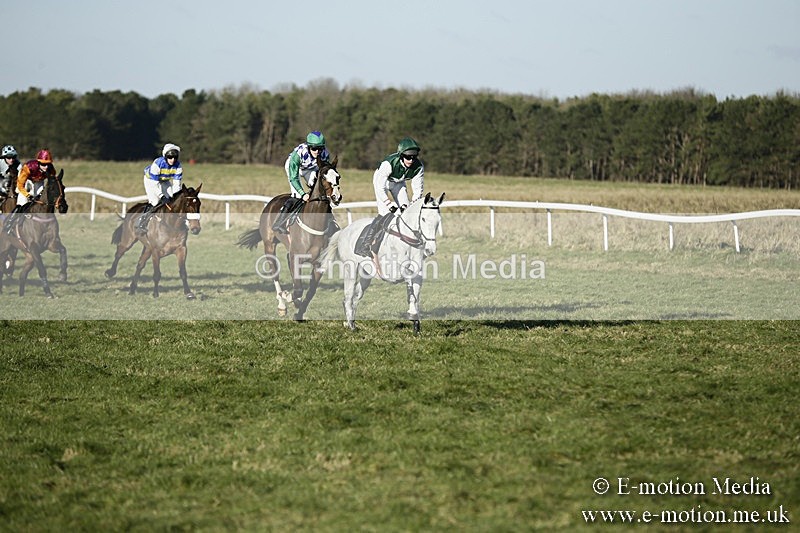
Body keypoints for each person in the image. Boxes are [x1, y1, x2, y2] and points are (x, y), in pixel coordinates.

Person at [355, 137, 425, 257]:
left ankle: (408, 242)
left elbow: (418, 191)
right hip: (382, 183)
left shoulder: (419, 167)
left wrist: (413, 205)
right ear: (401, 155)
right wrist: (389, 204)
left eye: (414, 156)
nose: (411, 160)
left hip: (399, 183)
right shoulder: (388, 164)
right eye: (408, 157)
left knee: (407, 211)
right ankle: (365, 243)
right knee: (385, 213)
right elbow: (379, 187)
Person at [272, 131, 331, 234]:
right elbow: (294, 178)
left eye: (320, 148)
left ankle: (329, 220)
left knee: (319, 193)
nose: (317, 151)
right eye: (314, 148)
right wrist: (302, 193)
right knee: (297, 195)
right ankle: (279, 223)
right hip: (295, 169)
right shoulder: (298, 154)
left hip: (310, 169)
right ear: (308, 147)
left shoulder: (325, 154)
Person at [136, 143, 184, 235]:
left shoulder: (178, 166)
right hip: (151, 180)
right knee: (155, 201)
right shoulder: (157, 164)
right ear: (165, 156)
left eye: (175, 157)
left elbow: (177, 185)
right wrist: (161, 196)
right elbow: (154, 184)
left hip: (164, 180)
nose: (172, 160)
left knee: (172, 199)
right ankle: (141, 223)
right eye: (170, 157)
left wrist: (176, 197)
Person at [4, 149, 55, 234]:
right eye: (43, 164)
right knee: (22, 202)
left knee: (39, 199)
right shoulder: (28, 167)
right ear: (38, 162)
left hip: (38, 181)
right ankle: (9, 223)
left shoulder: (51, 169)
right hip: (26, 180)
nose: (46, 167)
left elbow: (53, 181)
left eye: (48, 164)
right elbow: (20, 186)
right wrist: (27, 195)